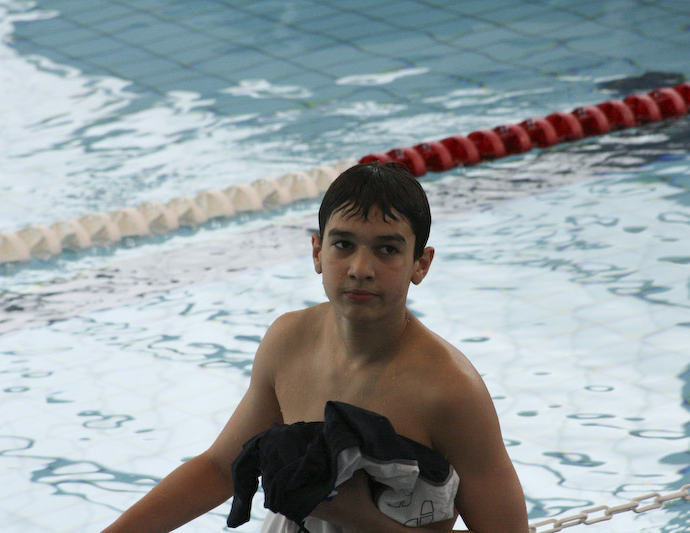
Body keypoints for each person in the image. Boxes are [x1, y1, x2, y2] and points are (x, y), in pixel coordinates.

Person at [104, 162, 528, 533]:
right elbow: (219, 469)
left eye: (387, 249)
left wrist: (361, 518)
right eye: (343, 244)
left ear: (421, 263)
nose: (361, 269)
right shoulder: (288, 342)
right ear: (317, 252)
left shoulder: (450, 390)